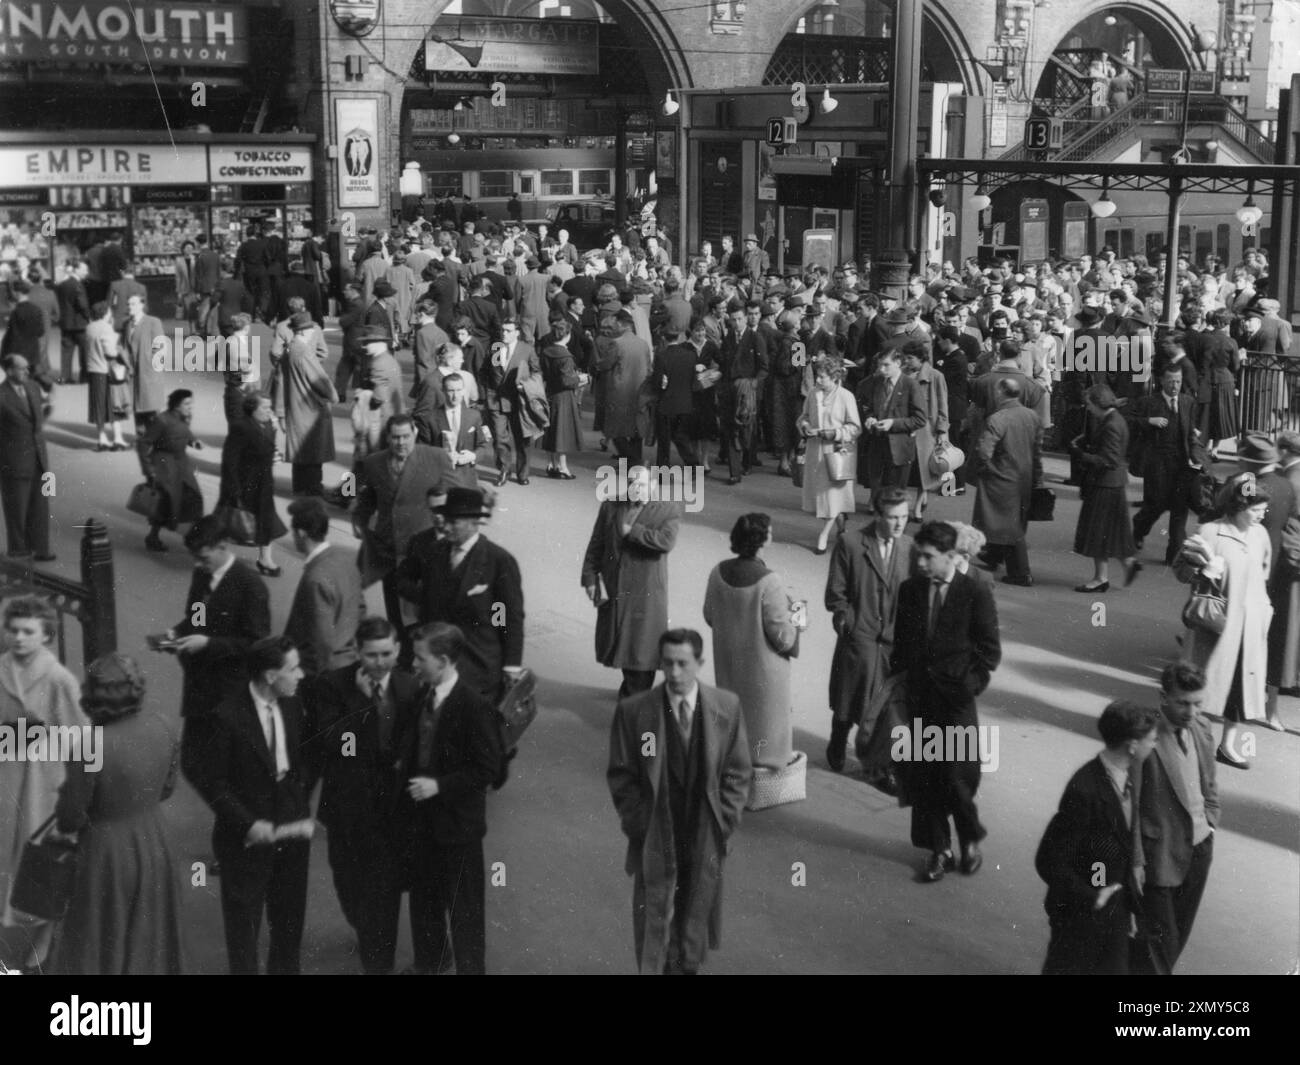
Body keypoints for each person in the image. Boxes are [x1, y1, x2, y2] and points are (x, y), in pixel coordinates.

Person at [607, 628, 752, 974]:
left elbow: (737, 771)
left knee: (693, 922)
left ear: (699, 664)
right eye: (667, 663)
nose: (673, 673)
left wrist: (725, 820)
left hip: (704, 834)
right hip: (657, 836)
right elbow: (622, 775)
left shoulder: (724, 708)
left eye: (682, 664)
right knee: (658, 926)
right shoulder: (635, 712)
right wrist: (639, 823)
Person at [47, 653, 186, 975]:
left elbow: (71, 817)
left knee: (101, 936)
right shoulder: (163, 726)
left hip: (106, 853)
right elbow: (167, 789)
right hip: (156, 841)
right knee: (152, 934)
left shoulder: (91, 744)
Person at [190, 637, 314, 975]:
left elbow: (300, 756)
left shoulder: (291, 704)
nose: (300, 675)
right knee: (244, 926)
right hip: (244, 834)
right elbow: (211, 782)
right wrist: (247, 823)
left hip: (291, 825)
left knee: (289, 922)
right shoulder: (225, 715)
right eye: (293, 669)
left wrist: (297, 798)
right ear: (271, 676)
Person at [305, 617, 419, 974]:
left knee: (380, 897)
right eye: (371, 655)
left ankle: (377, 957)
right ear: (357, 652)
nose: (380, 662)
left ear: (398, 649)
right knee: (347, 883)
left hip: (391, 812)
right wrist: (362, 703)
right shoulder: (333, 685)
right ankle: (365, 927)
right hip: (347, 809)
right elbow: (338, 743)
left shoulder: (411, 687)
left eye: (387, 653)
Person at [891, 521, 1001, 882]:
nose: (920, 563)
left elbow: (989, 651)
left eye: (928, 557)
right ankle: (940, 850)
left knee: (958, 775)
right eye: (918, 555)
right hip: (920, 698)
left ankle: (970, 838)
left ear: (952, 557)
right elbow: (903, 645)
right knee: (925, 777)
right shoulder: (910, 591)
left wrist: (969, 684)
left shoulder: (974, 591)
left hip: (956, 701)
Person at [394, 622, 502, 974]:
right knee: (424, 904)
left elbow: (487, 769)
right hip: (422, 824)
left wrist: (439, 786)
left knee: (464, 911)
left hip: (458, 829)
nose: (413, 664)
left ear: (442, 661)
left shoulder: (473, 707)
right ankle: (431, 963)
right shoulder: (422, 695)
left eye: (420, 658)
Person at [1035, 700, 1159, 975]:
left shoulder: (1126, 777)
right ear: (1132, 745)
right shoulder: (1085, 789)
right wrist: (1094, 894)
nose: (1155, 745)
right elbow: (1049, 859)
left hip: (1112, 910)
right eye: (1152, 740)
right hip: (1080, 912)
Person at [0, 596, 85, 972]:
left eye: (28, 632)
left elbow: (84, 741)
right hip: (7, 779)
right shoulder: (0, 670)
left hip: (44, 784)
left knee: (39, 868)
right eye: (13, 630)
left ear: (46, 636)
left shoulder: (58, 679)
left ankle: (38, 953)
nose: (18, 638)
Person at [1173, 473, 1274, 769]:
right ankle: (1187, 739)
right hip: (1217, 625)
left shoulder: (1260, 535)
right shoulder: (1209, 533)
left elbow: (1263, 574)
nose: (1260, 516)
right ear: (1238, 506)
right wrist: (1204, 573)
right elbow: (1181, 571)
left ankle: (1228, 745)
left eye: (1263, 510)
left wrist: (1264, 608)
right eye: (1255, 510)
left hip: (1251, 624)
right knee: (1203, 684)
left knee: (1241, 689)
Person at [703, 513, 802, 802]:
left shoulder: (717, 572)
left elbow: (709, 614)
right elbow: (782, 635)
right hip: (764, 672)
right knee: (765, 726)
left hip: (730, 663)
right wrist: (796, 622)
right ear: (763, 540)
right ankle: (762, 786)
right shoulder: (770, 581)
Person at [169, 515, 272, 786]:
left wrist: (209, 644)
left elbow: (256, 643)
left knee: (219, 768)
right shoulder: (202, 574)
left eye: (203, 557)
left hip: (228, 690)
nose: (197, 564)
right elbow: (197, 618)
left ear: (223, 545)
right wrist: (177, 633)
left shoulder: (251, 586)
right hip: (198, 684)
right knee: (193, 760)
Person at [396, 487, 524, 704]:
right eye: (446, 519)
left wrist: (511, 666)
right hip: (437, 662)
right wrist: (428, 597)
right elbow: (402, 579)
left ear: (474, 522)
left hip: (479, 665)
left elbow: (509, 619)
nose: (445, 527)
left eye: (453, 522)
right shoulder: (433, 552)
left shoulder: (498, 561)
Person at [1133, 662, 1219, 974]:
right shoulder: (1144, 739)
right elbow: (1130, 805)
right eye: (1183, 702)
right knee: (1161, 942)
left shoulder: (1202, 728)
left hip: (1199, 848)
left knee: (1176, 937)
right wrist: (1135, 860)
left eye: (1198, 703)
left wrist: (1211, 819)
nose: (1191, 712)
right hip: (1158, 856)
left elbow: (1209, 780)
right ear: (1163, 697)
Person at [825, 488, 912, 777]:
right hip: (859, 638)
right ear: (876, 515)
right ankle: (838, 739)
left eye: (904, 516)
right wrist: (847, 621)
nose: (900, 524)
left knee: (884, 707)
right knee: (848, 699)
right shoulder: (850, 543)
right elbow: (835, 594)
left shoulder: (910, 548)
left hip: (892, 641)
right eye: (892, 517)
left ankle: (879, 766)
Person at [581, 465, 683, 697]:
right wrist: (589, 578)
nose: (636, 488)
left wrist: (633, 532)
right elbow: (596, 544)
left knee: (642, 652)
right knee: (622, 645)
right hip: (615, 589)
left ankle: (633, 704)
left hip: (645, 595)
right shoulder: (610, 506)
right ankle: (632, 695)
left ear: (654, 486)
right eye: (632, 483)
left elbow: (666, 541)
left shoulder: (668, 510)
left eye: (642, 484)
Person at [353, 415, 456, 640]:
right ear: (388, 438)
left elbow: (455, 495)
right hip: (388, 546)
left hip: (425, 549)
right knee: (394, 607)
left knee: (425, 609)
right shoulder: (373, 462)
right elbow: (368, 497)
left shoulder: (436, 457)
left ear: (415, 434)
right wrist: (360, 518)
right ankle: (402, 657)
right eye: (395, 437)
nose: (401, 443)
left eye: (406, 437)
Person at [1130, 363, 1207, 567]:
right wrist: (1148, 422)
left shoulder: (1188, 402)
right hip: (1156, 463)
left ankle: (1173, 553)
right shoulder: (1148, 402)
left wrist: (1197, 459)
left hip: (1181, 464)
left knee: (1179, 509)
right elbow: (1129, 421)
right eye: (1171, 381)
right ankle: (1138, 529)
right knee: (1156, 504)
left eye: (1178, 381)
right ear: (1162, 381)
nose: (1175, 386)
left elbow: (1191, 434)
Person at [1071, 383, 1141, 592]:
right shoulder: (1115, 419)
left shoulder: (1110, 424)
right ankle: (1128, 563)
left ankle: (1100, 578)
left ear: (1098, 403)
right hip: (1115, 483)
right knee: (1113, 530)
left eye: (1089, 404)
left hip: (1104, 484)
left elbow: (1108, 459)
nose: (1088, 408)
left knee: (1098, 531)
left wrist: (1082, 455)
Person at [283, 496, 364, 677]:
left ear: (301, 533)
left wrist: (311, 675)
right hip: (348, 660)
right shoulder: (346, 561)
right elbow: (360, 608)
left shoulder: (316, 578)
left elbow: (322, 640)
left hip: (322, 671)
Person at [972, 378, 1041, 588]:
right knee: (1013, 520)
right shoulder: (1031, 416)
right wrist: (1038, 475)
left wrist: (987, 469)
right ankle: (994, 555)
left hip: (1001, 476)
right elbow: (1037, 450)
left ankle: (1021, 572)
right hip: (1024, 476)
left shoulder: (998, 418)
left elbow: (984, 451)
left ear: (1001, 392)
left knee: (1006, 523)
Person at [219, 391, 288, 575]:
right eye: (265, 407)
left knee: (267, 520)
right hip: (244, 484)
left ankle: (265, 559)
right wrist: (233, 487)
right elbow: (230, 459)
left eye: (270, 407)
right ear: (252, 408)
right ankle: (215, 554)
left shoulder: (267, 425)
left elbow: (270, 449)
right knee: (230, 522)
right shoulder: (240, 427)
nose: (269, 411)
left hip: (263, 484)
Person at [798, 356, 861, 555]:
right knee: (824, 497)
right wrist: (805, 426)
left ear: (834, 378)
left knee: (832, 496)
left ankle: (824, 535)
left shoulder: (845, 396)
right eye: (817, 376)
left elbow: (855, 427)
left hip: (837, 453)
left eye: (822, 377)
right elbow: (803, 417)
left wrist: (833, 433)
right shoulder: (813, 394)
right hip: (815, 451)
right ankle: (840, 521)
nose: (818, 380)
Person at [275, 311, 339, 498]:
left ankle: (301, 487)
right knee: (313, 450)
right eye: (311, 329)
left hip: (296, 406)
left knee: (301, 452)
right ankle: (312, 488)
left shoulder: (290, 349)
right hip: (310, 408)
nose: (313, 332)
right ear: (304, 331)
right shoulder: (303, 352)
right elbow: (320, 380)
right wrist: (333, 395)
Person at [0, 355, 54, 561]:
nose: (26, 372)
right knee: (17, 509)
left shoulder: (32, 387)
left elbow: (38, 419)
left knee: (40, 506)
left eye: (27, 368)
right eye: (22, 369)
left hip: (39, 457)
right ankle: (19, 550)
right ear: (9, 370)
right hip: (14, 461)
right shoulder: (2, 395)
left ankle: (41, 549)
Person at [138, 389, 204, 553]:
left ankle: (193, 538)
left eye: (191, 403)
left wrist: (193, 441)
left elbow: (185, 432)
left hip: (182, 463)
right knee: (165, 501)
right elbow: (143, 443)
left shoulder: (184, 418)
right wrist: (148, 469)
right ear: (176, 405)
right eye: (187, 403)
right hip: (163, 464)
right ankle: (153, 536)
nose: (191, 406)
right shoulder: (161, 420)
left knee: (193, 497)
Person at [856, 347, 926, 502]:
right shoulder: (876, 383)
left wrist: (893, 423)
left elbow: (920, 419)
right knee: (877, 489)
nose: (881, 369)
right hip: (877, 444)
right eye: (880, 365)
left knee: (896, 494)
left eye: (886, 365)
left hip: (899, 447)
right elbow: (868, 407)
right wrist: (870, 418)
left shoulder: (910, 385)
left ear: (898, 363)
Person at [481, 319, 539, 486]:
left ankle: (523, 472)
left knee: (523, 439)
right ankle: (504, 469)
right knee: (500, 438)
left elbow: (537, 372)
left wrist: (527, 386)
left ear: (517, 332)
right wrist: (487, 393)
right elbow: (485, 372)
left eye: (508, 330)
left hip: (519, 401)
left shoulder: (527, 350)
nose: (504, 333)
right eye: (503, 330)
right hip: (496, 400)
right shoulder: (495, 348)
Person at [1266, 431, 1300, 715]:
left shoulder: (1290, 479)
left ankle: (1284, 677)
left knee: (1287, 619)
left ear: (1286, 451)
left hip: (1290, 553)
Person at [83, 300, 128, 451]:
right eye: (109, 311)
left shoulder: (89, 327)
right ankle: (118, 438)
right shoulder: (106, 328)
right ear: (105, 313)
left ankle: (102, 438)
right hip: (107, 370)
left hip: (94, 370)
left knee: (99, 405)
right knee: (114, 405)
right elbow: (110, 352)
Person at [121, 292, 167, 440]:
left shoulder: (153, 322)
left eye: (133, 304)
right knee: (137, 405)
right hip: (133, 371)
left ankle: (156, 439)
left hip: (149, 371)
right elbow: (125, 346)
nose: (130, 307)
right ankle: (141, 438)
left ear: (142, 305)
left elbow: (160, 347)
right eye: (128, 304)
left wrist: (154, 369)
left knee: (151, 406)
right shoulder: (127, 324)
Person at [55, 260, 90, 385]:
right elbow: (83, 304)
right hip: (80, 324)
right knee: (84, 352)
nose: (86, 272)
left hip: (66, 323)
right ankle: (84, 377)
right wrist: (88, 317)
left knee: (66, 351)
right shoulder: (78, 285)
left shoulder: (62, 285)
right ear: (77, 270)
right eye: (84, 269)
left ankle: (65, 377)